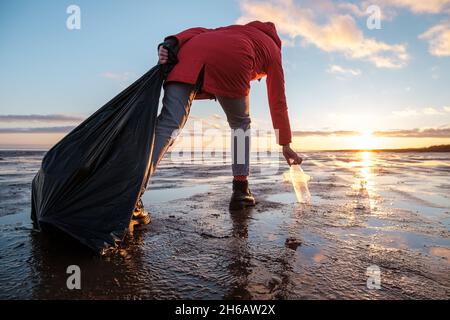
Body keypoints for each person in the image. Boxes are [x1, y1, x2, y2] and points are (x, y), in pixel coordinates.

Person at [132, 20, 302, 224]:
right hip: (235, 57)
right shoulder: (273, 49)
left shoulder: (234, 30)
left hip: (187, 54)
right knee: (240, 125)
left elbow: (199, 31)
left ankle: (131, 195)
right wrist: (285, 143)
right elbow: (277, 98)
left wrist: (170, 42)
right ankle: (240, 190)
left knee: (168, 123)